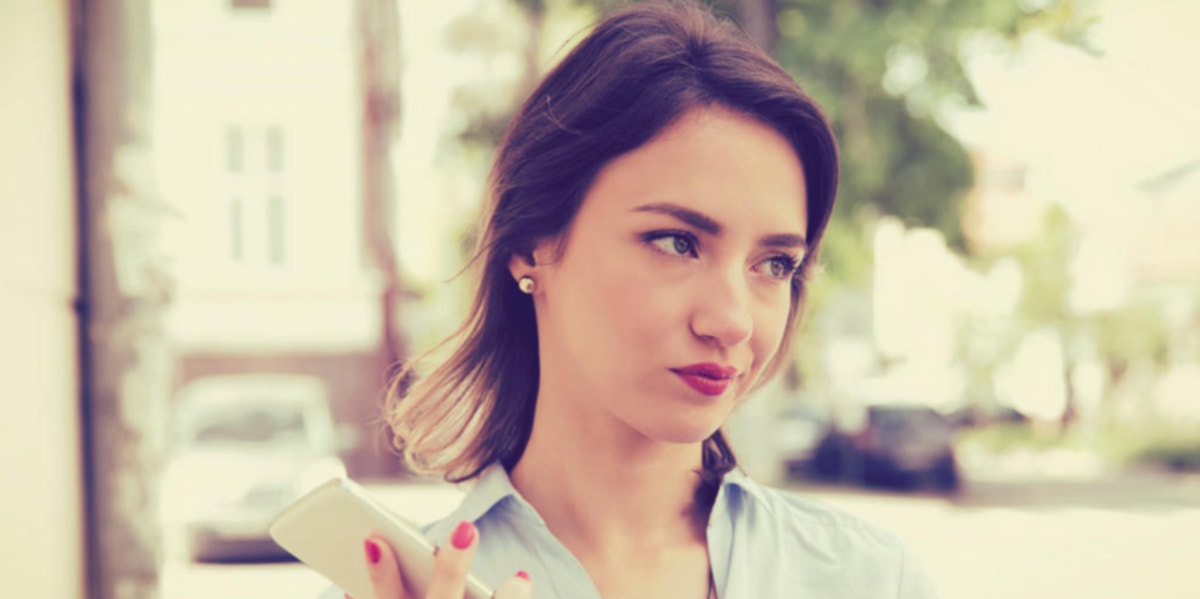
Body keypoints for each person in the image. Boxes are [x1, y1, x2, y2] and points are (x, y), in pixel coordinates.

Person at [330, 1, 937, 598]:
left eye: (775, 264)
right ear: (531, 245)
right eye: (677, 242)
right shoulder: (401, 590)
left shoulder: (869, 580)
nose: (731, 321)